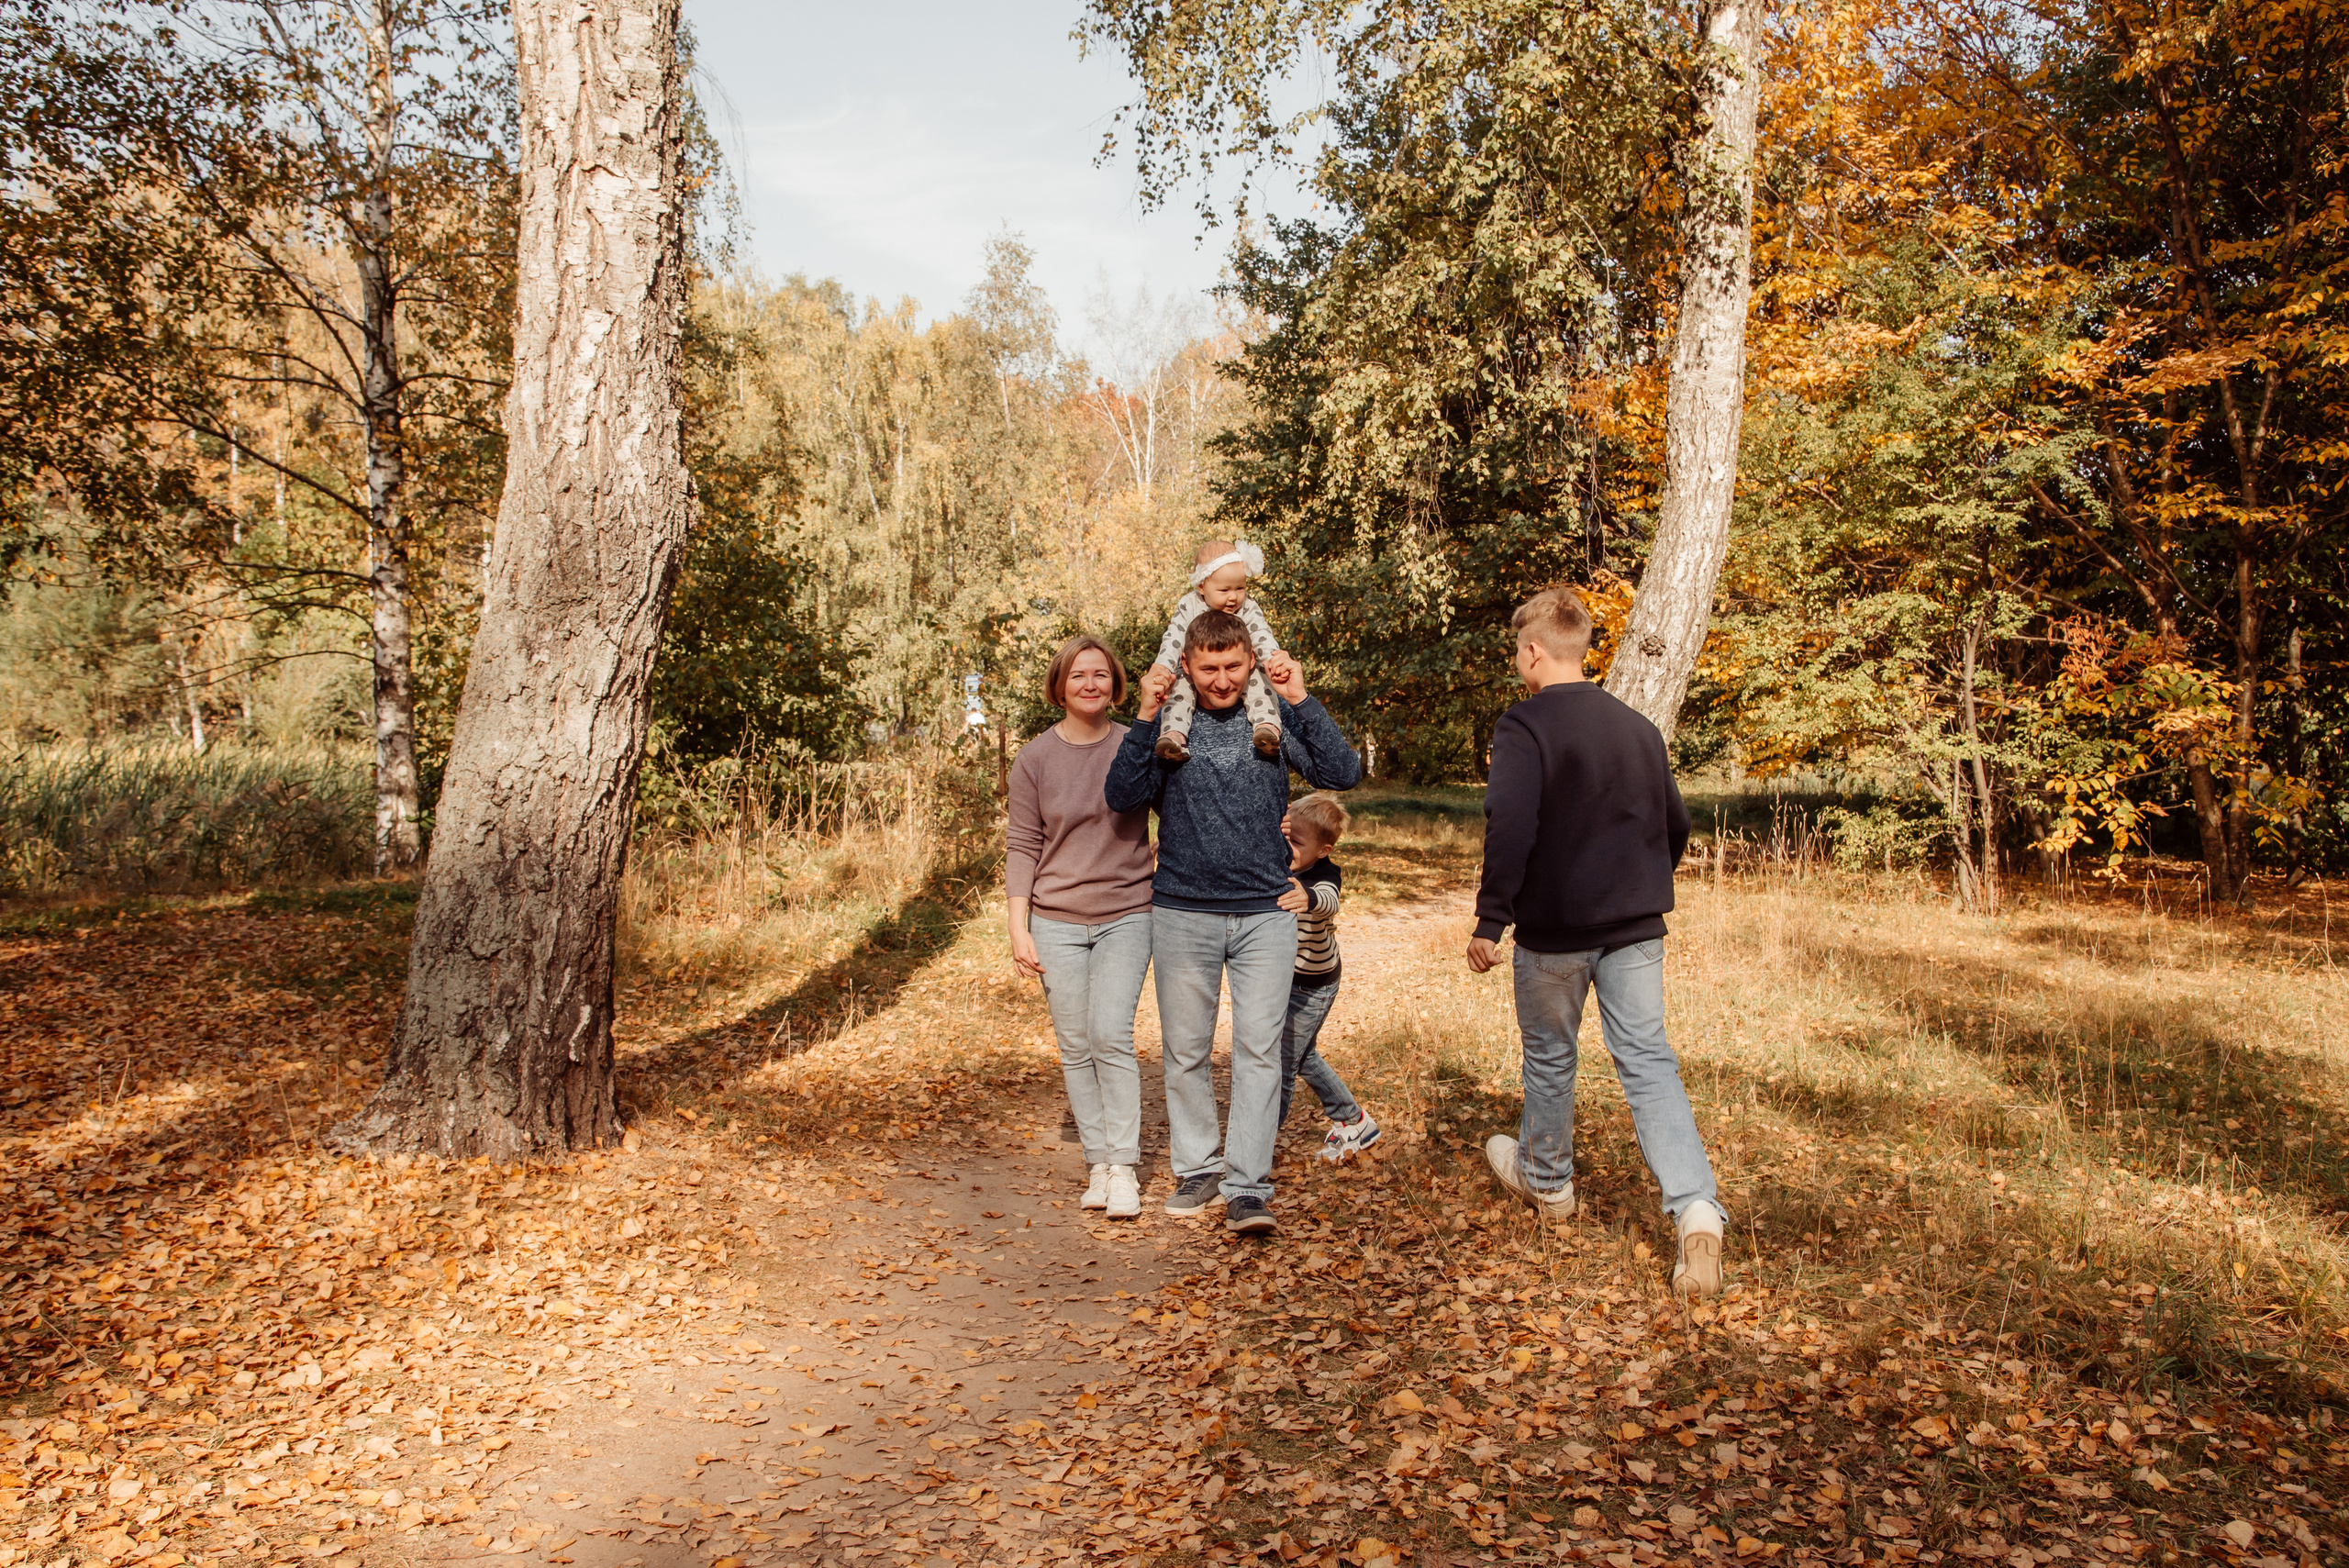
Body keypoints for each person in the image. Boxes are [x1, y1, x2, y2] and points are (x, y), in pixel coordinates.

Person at [1465, 585, 1728, 1297]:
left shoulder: (1524, 727)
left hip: (1555, 935)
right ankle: (1698, 1210)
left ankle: (1549, 1182)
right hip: (1637, 927)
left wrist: (1492, 918)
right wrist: (1637, 883)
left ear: (1531, 652)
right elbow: (1673, 823)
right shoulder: (1638, 726)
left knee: (1552, 1056)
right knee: (1648, 1061)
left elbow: (1509, 823)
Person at [1105, 609, 1362, 1236]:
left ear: (1250, 663)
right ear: (1188, 667)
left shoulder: (1267, 716)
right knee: (1186, 1051)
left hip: (1263, 913)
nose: (1221, 680)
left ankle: (1248, 1185)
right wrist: (1144, 710)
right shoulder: (1173, 723)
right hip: (1183, 910)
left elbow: (1343, 772)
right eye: (1209, 667)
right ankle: (1199, 1169)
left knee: (1258, 1052)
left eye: (1232, 666)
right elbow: (1122, 795)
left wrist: (1300, 694)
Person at [1007, 635, 1156, 1220]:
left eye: (1101, 675)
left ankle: (1124, 1167)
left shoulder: (1135, 744)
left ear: (1116, 685)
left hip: (1127, 912)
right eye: (1078, 676)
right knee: (1074, 1046)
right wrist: (1019, 928)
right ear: (1060, 687)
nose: (1090, 684)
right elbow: (1023, 845)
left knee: (1110, 1035)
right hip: (1055, 920)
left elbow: (1183, 810)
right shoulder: (1034, 759)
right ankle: (1099, 1162)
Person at [1274, 793, 1381, 1160]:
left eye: (1298, 843)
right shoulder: (1278, 859)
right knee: (1302, 1055)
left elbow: (1329, 900)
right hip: (1284, 980)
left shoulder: (1324, 874)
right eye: (1285, 836)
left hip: (1314, 985)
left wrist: (1309, 899)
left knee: (1286, 1060)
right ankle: (1353, 1118)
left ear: (1324, 849)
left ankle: (1259, 1140)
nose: (1288, 847)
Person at [1146, 539, 1297, 762]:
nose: (1233, 597)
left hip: (1245, 669)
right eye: (1224, 589)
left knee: (1260, 682)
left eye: (1240, 588)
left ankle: (1267, 727)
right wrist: (1163, 666)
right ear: (1201, 586)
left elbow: (1262, 635)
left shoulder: (1247, 607)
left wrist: (1274, 661)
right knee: (1179, 687)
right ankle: (1174, 735)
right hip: (1192, 673)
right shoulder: (1190, 605)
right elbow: (1174, 638)